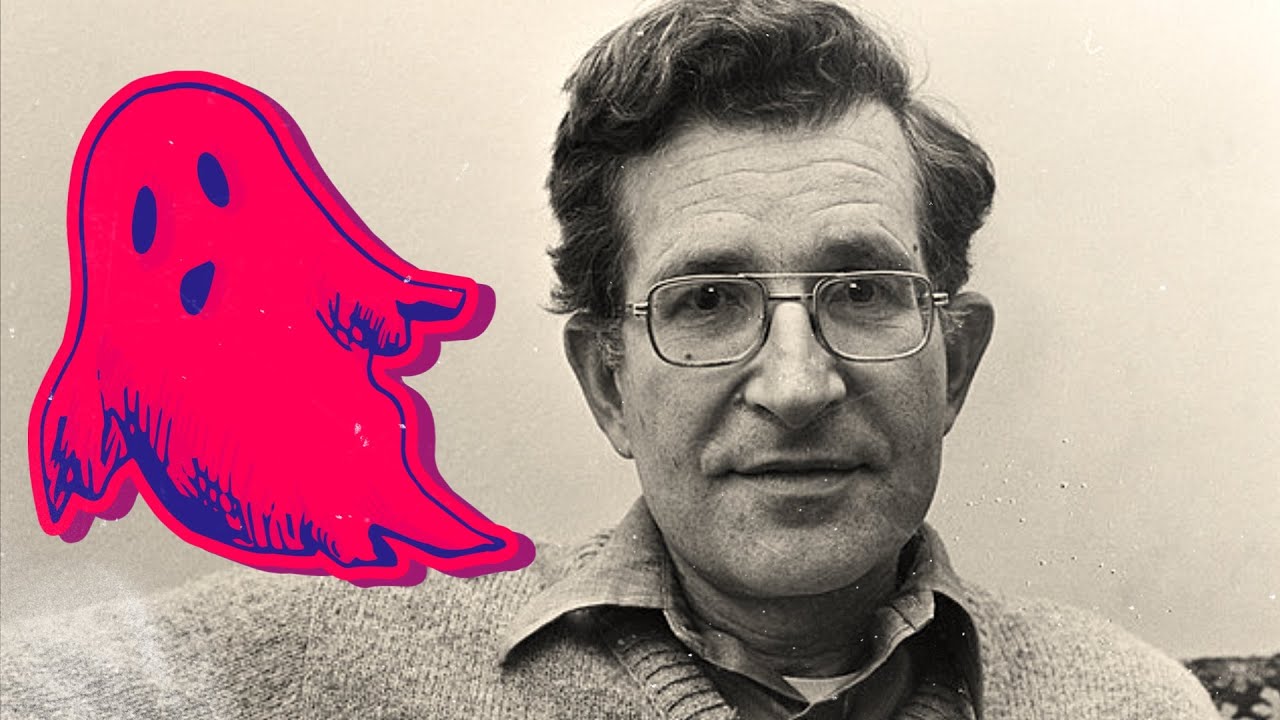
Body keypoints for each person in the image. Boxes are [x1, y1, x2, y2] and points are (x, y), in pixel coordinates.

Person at [1, 1, 1219, 718]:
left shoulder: (1126, 702)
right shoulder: (336, 661)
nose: (795, 385)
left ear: (953, 362)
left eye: (859, 292)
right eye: (706, 302)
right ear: (606, 386)